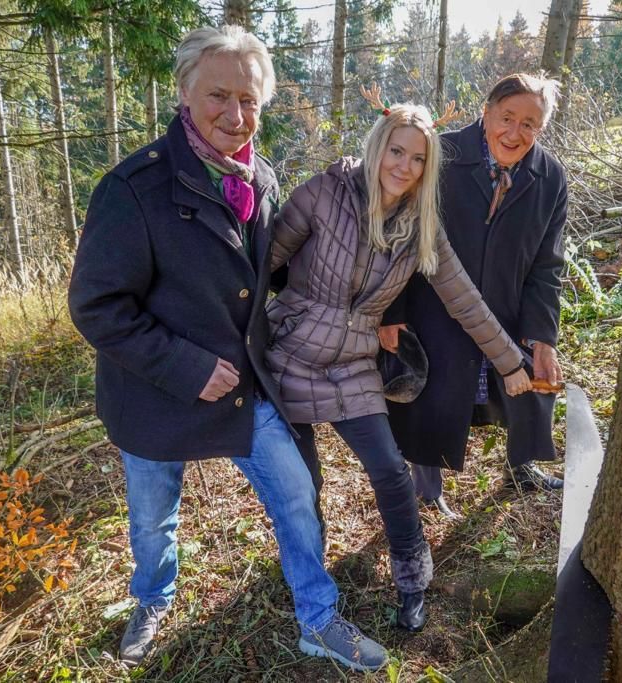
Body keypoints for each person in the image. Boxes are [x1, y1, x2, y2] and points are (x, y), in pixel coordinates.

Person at [67, 25, 387, 673]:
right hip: (153, 393)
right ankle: (152, 599)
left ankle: (317, 617)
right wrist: (185, 366)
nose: (235, 116)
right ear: (185, 92)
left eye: (249, 100)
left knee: (296, 493)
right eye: (219, 95)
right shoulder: (132, 188)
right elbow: (97, 306)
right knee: (153, 518)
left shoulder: (260, 178)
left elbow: (266, 274)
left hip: (244, 385)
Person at [266, 94, 532, 632]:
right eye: (396, 151)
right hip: (289, 354)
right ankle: (308, 570)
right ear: (377, 148)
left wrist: (510, 362)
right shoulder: (324, 193)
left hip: (354, 362)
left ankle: (412, 579)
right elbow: (260, 265)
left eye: (417, 159)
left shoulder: (420, 229)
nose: (404, 166)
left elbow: (466, 301)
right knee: (302, 484)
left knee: (389, 469)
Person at [380, 73, 568, 517]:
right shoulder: (441, 155)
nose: (515, 133)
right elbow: (396, 235)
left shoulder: (549, 177)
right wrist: (392, 311)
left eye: (529, 124)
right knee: (432, 395)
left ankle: (521, 467)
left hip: (508, 308)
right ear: (486, 112)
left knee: (524, 384)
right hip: (433, 307)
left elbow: (547, 265)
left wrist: (543, 336)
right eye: (507, 117)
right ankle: (426, 489)